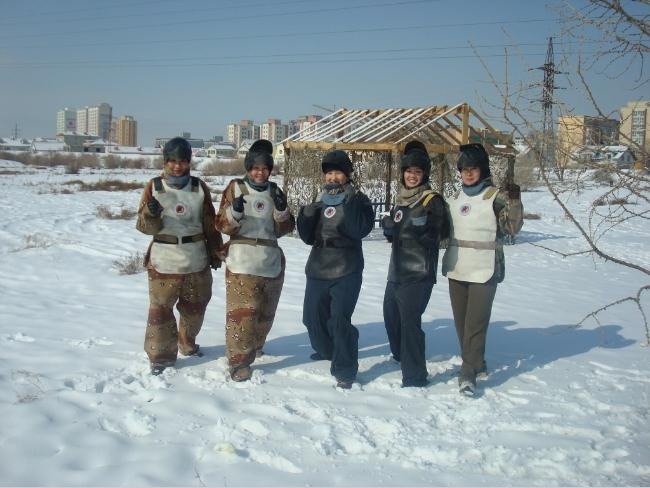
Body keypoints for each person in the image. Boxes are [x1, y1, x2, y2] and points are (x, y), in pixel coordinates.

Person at [136, 137, 223, 375]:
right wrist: (150, 214)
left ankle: (187, 342)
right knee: (161, 311)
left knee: (196, 308)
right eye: (172, 161)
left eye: (182, 161)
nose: (177, 166)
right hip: (164, 259)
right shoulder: (154, 187)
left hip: (196, 258)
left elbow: (210, 224)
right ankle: (161, 357)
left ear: (189, 162)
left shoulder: (198, 187)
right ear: (165, 161)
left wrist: (215, 252)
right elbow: (144, 227)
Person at [441, 143, 523, 396]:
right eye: (464, 169)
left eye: (473, 168)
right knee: (461, 323)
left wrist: (514, 201)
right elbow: (443, 232)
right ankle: (477, 362)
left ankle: (467, 373)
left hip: (485, 268)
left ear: (482, 170)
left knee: (475, 323)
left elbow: (512, 228)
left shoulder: (494, 197)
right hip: (457, 266)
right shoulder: (454, 198)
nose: (468, 173)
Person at [215, 139, 295, 382]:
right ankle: (239, 361)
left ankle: (256, 345)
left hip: (269, 259)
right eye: (256, 168)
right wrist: (235, 212)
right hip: (242, 259)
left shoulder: (274, 191)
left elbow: (284, 229)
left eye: (265, 168)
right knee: (243, 314)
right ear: (248, 168)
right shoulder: (235, 188)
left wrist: (282, 212)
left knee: (265, 313)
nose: (260, 173)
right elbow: (221, 224)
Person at [297, 149, 375, 389]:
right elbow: (307, 237)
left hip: (346, 267)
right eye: (329, 173)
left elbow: (359, 230)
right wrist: (305, 215)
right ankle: (328, 350)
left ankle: (345, 370)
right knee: (312, 318)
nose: (333, 177)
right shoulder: (319, 200)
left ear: (347, 174)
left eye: (338, 173)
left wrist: (350, 204)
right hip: (318, 265)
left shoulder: (359, 199)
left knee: (339, 320)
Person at [381, 141, 449, 387]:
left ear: (424, 175)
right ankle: (401, 355)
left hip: (419, 271)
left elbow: (439, 234)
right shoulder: (401, 200)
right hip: (397, 269)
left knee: (410, 322)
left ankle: (415, 375)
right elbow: (396, 232)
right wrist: (389, 228)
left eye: (417, 172)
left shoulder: (432, 200)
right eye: (409, 171)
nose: (412, 176)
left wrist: (421, 230)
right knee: (391, 315)